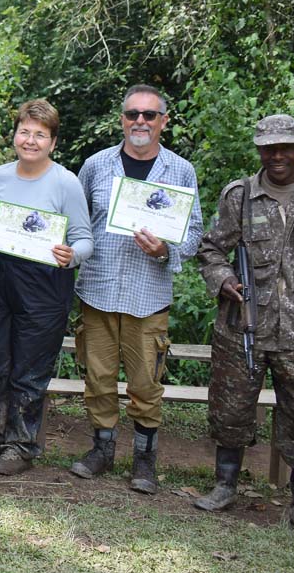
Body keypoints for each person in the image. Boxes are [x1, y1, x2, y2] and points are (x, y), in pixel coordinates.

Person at [193, 115, 294, 539]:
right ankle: (224, 486)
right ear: (259, 151)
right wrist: (224, 279)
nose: (278, 155)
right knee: (230, 410)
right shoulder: (240, 197)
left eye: (286, 147)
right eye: (269, 148)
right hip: (244, 324)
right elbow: (210, 249)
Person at [69, 84, 203, 494]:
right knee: (99, 378)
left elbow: (194, 232)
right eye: (132, 115)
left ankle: (144, 460)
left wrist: (167, 250)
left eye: (149, 115)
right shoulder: (95, 165)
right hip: (98, 290)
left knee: (146, 384)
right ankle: (102, 449)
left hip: (149, 295)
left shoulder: (180, 171)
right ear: (122, 120)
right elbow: (76, 223)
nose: (140, 122)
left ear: (163, 121)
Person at [0, 99, 94, 476]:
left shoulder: (65, 182)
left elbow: (85, 239)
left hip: (45, 287)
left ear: (53, 142)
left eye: (40, 134)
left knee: (29, 371)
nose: (31, 140)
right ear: (16, 135)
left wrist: (70, 255)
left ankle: (20, 446)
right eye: (25, 131)